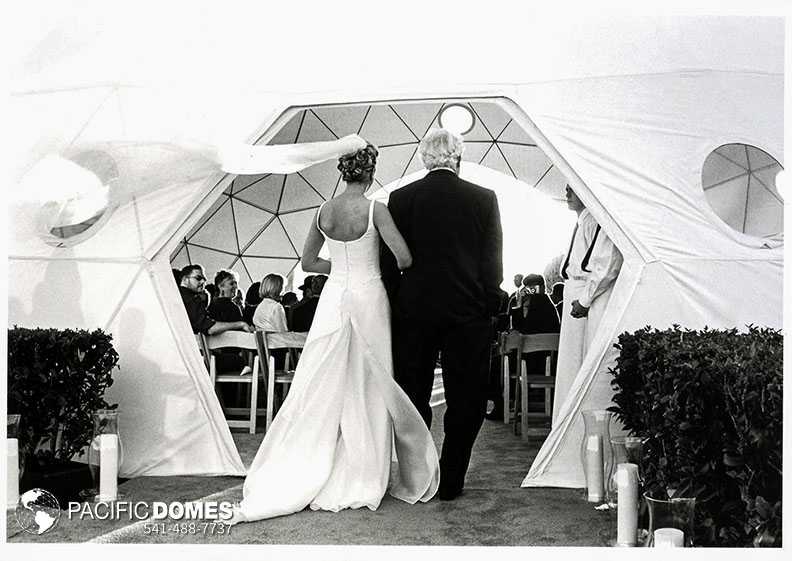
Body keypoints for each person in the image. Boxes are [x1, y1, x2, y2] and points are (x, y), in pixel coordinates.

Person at [232, 141, 438, 524]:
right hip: (370, 296)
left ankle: (309, 462)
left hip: (333, 298)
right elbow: (405, 258)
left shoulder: (323, 211)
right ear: (371, 171)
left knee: (323, 379)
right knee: (370, 380)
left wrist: (340, 270)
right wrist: (368, 267)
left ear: (342, 172)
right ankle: (365, 472)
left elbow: (309, 262)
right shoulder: (377, 208)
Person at [382, 129, 503, 501]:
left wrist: (399, 301)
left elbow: (387, 261)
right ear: (458, 158)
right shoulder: (483, 198)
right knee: (466, 399)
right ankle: (452, 480)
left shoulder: (400, 199)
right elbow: (492, 261)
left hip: (413, 313)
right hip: (467, 313)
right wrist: (485, 305)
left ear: (424, 159)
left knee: (413, 396)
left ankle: (419, 477)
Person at [552, 185, 622, 425]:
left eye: (573, 189)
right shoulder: (583, 222)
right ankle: (566, 423)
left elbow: (606, 264)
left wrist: (584, 300)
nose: (567, 193)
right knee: (571, 364)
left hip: (585, 295)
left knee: (581, 362)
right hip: (576, 291)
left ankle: (578, 426)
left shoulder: (595, 221)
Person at [178, 264, 252, 335]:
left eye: (204, 279)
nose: (203, 282)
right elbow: (208, 328)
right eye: (198, 278)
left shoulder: (180, 297)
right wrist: (241, 324)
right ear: (185, 279)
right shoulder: (191, 300)